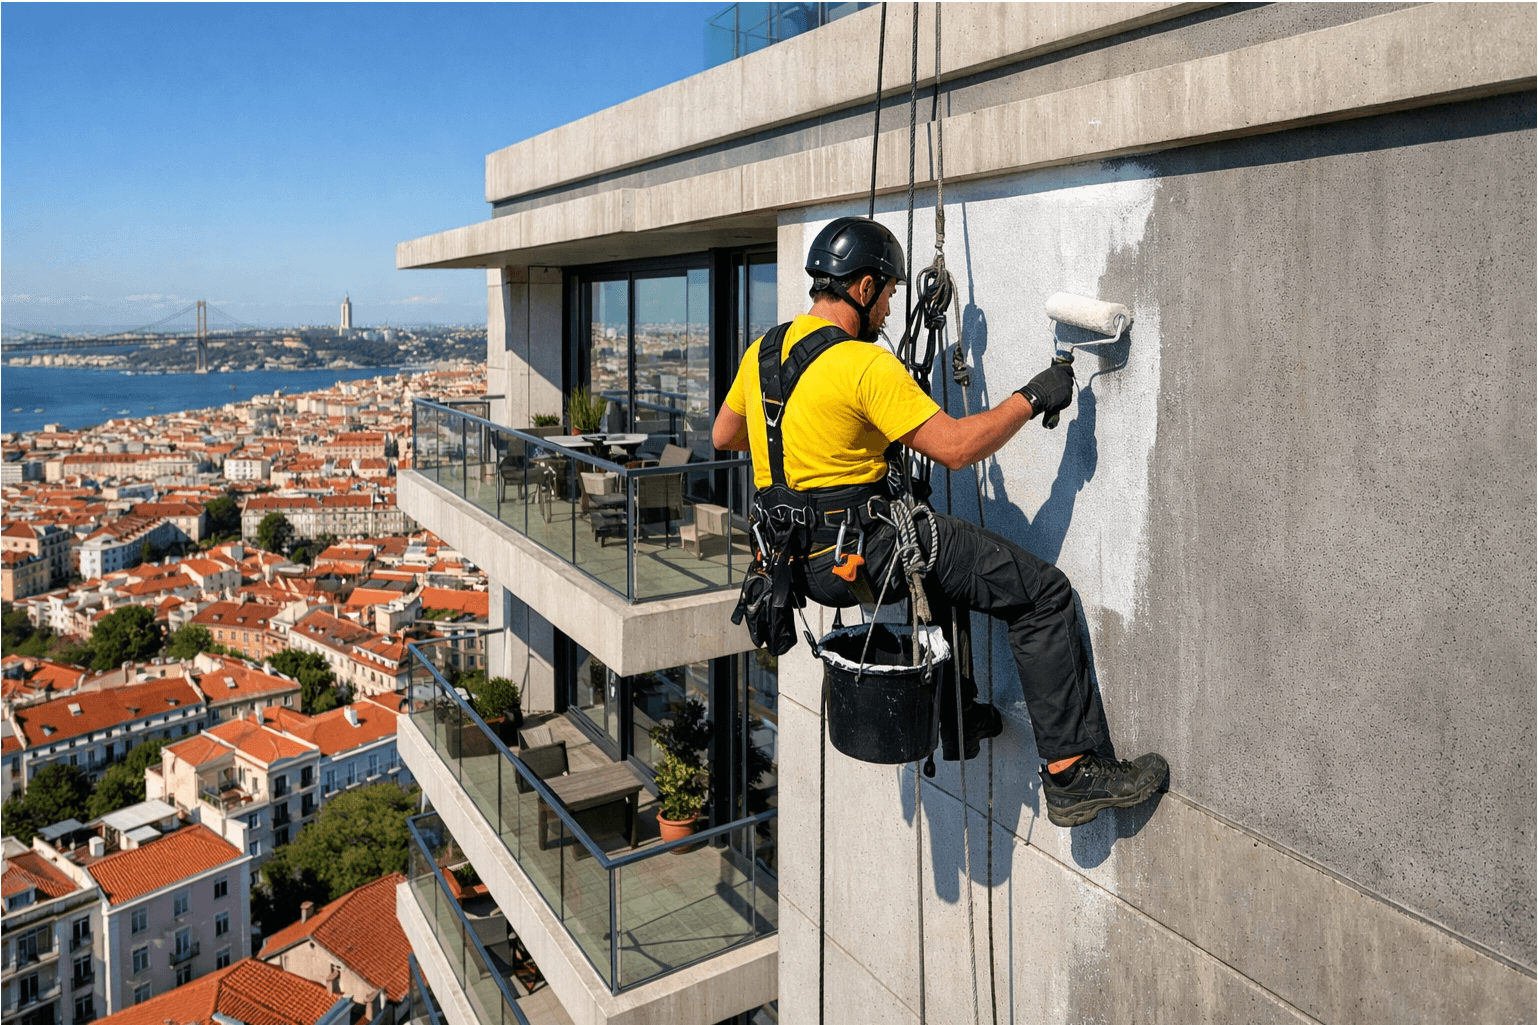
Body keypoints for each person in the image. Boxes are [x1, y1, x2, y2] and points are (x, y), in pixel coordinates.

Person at [712, 216, 1168, 827]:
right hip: (867, 550)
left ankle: (955, 712)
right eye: (892, 293)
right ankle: (1072, 773)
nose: (893, 307)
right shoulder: (862, 367)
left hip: (799, 566)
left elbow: (726, 435)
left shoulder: (764, 352)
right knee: (1042, 596)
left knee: (945, 557)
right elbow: (955, 447)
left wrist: (818, 447)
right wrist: (1032, 396)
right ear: (866, 288)